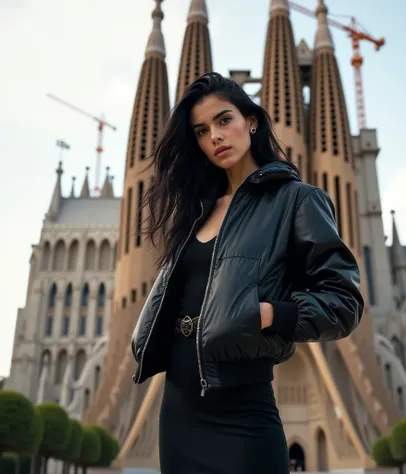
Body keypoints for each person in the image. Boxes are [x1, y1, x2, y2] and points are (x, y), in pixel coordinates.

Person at [131, 72, 364, 474]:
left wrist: (269, 315)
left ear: (251, 121)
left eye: (224, 120)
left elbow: (344, 301)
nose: (215, 137)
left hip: (243, 411)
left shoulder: (296, 200)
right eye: (202, 131)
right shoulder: (195, 212)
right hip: (179, 412)